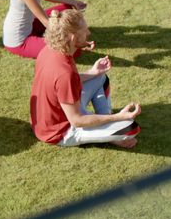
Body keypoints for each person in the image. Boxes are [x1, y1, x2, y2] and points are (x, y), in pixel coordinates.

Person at [30, 9, 141, 148]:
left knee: (100, 78)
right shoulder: (65, 73)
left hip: (46, 120)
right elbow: (76, 120)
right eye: (84, 30)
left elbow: (60, 84)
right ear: (72, 38)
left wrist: (93, 72)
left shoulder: (49, 50)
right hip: (60, 132)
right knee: (131, 128)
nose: (88, 33)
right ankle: (108, 127)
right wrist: (118, 117)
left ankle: (104, 123)